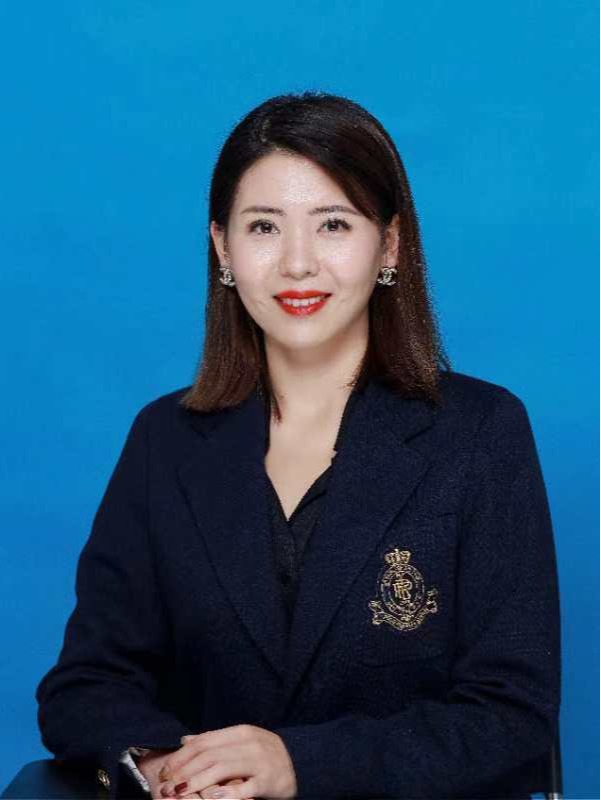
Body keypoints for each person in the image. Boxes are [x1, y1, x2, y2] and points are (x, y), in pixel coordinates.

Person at [35, 91, 561, 800]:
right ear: (223, 248)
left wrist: (300, 764)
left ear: (390, 245)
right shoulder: (165, 439)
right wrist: (159, 768)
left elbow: (511, 718)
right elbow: (87, 682)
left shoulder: (481, 432)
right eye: (263, 227)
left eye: (333, 224)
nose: (297, 264)